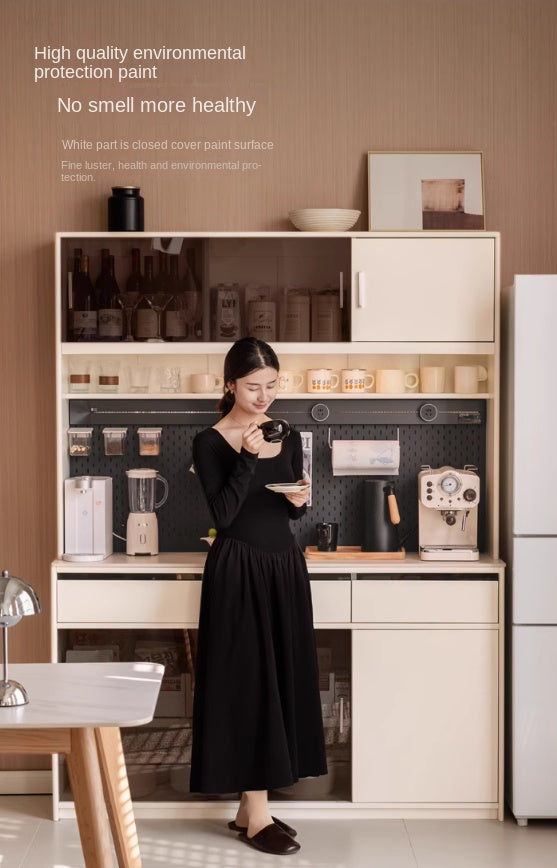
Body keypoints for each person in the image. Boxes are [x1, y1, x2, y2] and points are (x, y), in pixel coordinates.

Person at [190, 337, 327, 856]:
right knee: (249, 685)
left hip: (283, 566)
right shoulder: (209, 441)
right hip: (238, 567)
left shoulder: (286, 433)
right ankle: (258, 817)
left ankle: (251, 809)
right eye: (253, 386)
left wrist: (300, 499)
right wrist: (248, 456)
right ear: (230, 384)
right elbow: (223, 516)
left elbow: (285, 509)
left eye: (272, 385)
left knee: (282, 681)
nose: (265, 395)